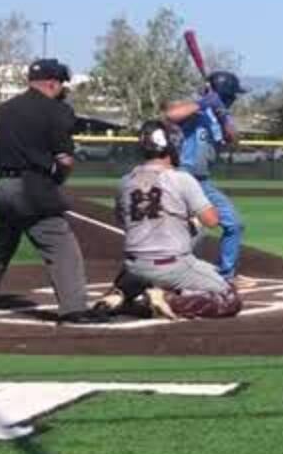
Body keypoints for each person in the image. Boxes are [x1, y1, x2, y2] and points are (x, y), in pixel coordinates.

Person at [0, 59, 97, 321]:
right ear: (52, 83)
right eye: (61, 84)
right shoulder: (55, 110)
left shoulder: (4, 109)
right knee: (61, 246)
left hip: (2, 186)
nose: (62, 89)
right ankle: (74, 308)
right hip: (32, 187)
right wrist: (58, 179)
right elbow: (65, 159)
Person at [92, 121, 242, 319]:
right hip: (172, 266)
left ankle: (121, 291)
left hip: (133, 266)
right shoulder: (182, 179)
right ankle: (168, 300)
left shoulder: (125, 181)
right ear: (172, 147)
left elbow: (122, 221)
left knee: (148, 237)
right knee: (230, 298)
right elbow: (212, 221)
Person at [162, 71, 248, 284]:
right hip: (181, 177)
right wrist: (204, 103)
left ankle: (226, 274)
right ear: (226, 93)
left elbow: (234, 138)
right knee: (190, 230)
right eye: (233, 95)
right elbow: (170, 115)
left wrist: (221, 114)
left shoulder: (221, 114)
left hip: (202, 181)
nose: (235, 99)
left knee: (234, 224)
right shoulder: (196, 111)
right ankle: (161, 274)